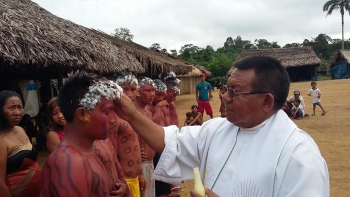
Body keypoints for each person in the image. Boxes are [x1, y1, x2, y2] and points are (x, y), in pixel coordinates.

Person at [114, 56, 330, 196]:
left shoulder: (299, 156)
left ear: (267, 101)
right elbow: (171, 142)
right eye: (226, 88)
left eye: (235, 91)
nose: (224, 97)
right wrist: (131, 114)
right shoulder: (218, 129)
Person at [42, 72, 127, 197]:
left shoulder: (88, 150)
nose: (114, 119)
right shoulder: (69, 163)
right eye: (107, 112)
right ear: (82, 115)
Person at [0, 91, 41, 197]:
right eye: (11, 108)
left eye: (20, 107)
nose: (17, 112)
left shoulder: (20, 130)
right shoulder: (1, 139)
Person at [113, 71, 146, 197]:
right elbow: (112, 155)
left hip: (135, 178)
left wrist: (141, 174)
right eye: (125, 89)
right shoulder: (113, 119)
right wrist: (120, 181)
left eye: (133, 89)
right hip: (123, 181)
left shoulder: (132, 116)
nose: (130, 94)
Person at [134, 77, 156, 197]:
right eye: (148, 90)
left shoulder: (148, 109)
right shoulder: (133, 111)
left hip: (150, 162)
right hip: (140, 165)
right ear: (137, 91)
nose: (152, 94)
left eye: (153, 90)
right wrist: (135, 152)